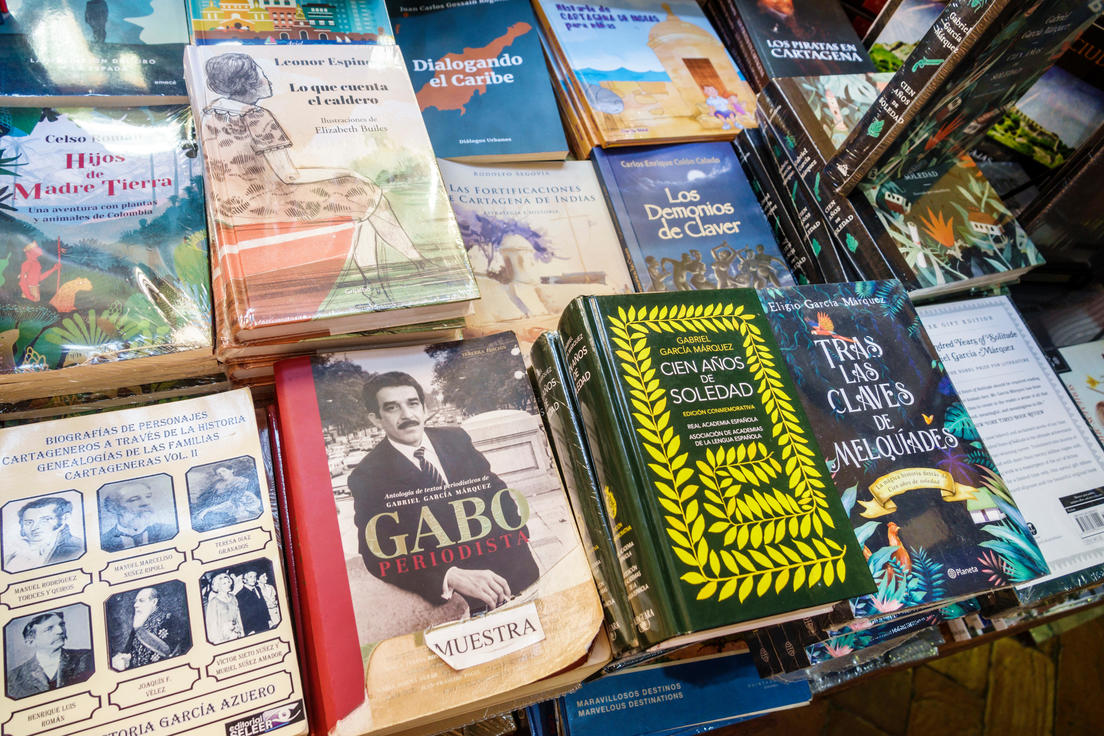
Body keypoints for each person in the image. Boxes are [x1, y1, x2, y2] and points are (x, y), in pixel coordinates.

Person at [199, 52, 429, 299]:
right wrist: (345, 172)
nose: (267, 79)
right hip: (266, 203)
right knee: (365, 191)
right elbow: (289, 176)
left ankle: (386, 279)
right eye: (261, 74)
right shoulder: (256, 116)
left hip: (228, 204)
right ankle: (412, 264)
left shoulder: (210, 113)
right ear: (247, 84)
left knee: (360, 202)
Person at [347, 372, 539, 614]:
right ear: (376, 419)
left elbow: (498, 495)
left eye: (412, 403)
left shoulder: (456, 438)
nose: (407, 415)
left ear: (425, 408)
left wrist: (518, 542)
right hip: (459, 603)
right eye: (392, 408)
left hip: (518, 575)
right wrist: (447, 576)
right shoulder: (367, 476)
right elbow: (376, 555)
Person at [6, 611, 93, 699]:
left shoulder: (87, 657)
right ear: (31, 641)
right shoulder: (13, 677)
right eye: (49, 629)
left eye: (61, 624)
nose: (60, 631)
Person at [110, 587, 188, 671]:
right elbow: (127, 652)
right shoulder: (138, 625)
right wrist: (123, 659)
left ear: (154, 602)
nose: (135, 605)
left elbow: (170, 653)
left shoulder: (170, 619)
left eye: (141, 600)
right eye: (135, 601)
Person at [4, 496, 84, 573]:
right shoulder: (12, 556)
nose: (34, 527)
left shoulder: (76, 549)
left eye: (45, 520)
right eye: (29, 522)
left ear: (65, 518)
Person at [100, 479, 176, 551]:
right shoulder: (104, 543)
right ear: (114, 508)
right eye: (134, 499)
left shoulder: (170, 530)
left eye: (148, 496)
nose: (146, 502)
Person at [192, 465, 263, 532]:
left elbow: (232, 501)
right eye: (219, 473)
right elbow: (208, 496)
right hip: (215, 505)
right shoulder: (217, 483)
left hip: (232, 506)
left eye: (223, 471)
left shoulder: (242, 481)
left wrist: (207, 510)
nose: (222, 474)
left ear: (231, 470)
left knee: (211, 520)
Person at [204, 572, 244, 644]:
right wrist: (217, 640)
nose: (228, 585)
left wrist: (242, 632)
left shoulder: (233, 597)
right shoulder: (213, 602)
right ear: (218, 586)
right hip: (223, 638)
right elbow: (212, 624)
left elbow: (238, 617)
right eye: (224, 583)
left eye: (228, 582)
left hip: (237, 634)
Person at [235, 570, 271, 636]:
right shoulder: (240, 595)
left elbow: (263, 605)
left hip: (265, 624)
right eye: (250, 577)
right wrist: (250, 630)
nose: (253, 579)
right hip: (253, 629)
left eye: (255, 576)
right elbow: (244, 615)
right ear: (244, 580)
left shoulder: (258, 588)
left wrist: (269, 620)